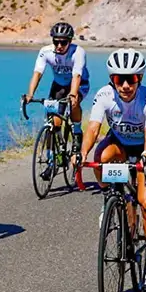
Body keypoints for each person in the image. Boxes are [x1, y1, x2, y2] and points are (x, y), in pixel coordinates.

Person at [78, 48, 146, 290]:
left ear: (140, 79)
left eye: (132, 79)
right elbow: (93, 128)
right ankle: (111, 197)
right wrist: (81, 154)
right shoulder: (104, 95)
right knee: (101, 157)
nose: (125, 85)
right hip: (120, 144)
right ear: (112, 80)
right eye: (119, 79)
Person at [22, 21, 89, 179]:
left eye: (63, 42)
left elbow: (77, 76)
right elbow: (37, 74)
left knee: (74, 103)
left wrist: (73, 95)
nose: (59, 45)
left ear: (70, 41)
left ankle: (77, 132)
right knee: (53, 124)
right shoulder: (46, 52)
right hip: (58, 86)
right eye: (56, 41)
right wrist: (30, 94)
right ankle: (52, 161)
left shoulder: (78, 52)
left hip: (78, 84)